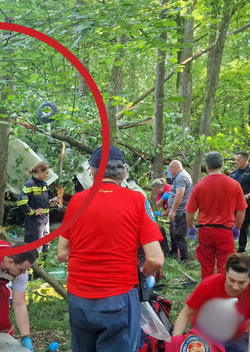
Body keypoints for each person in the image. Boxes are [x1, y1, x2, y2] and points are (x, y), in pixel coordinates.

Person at [57, 145, 164, 352]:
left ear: (93, 172)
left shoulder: (77, 201)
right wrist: (142, 274)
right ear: (124, 173)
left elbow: (62, 254)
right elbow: (156, 260)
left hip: (79, 297)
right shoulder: (137, 200)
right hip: (119, 296)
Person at [172, 253, 250, 352]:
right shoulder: (209, 285)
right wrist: (175, 342)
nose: (235, 287)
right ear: (225, 273)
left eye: (242, 283)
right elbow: (185, 315)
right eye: (231, 280)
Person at [186, 152, 247, 280]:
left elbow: (190, 211)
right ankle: (222, 292)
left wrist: (191, 227)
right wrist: (237, 228)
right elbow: (241, 210)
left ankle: (208, 292)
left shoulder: (199, 186)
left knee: (206, 265)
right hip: (225, 232)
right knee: (225, 265)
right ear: (222, 165)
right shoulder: (234, 185)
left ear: (207, 166)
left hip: (205, 231)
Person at [17, 161, 57, 266]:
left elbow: (40, 202)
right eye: (46, 173)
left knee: (46, 245)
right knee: (35, 247)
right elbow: (21, 202)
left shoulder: (44, 185)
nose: (47, 176)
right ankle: (30, 271)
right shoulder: (29, 184)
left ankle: (39, 272)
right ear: (39, 171)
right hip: (34, 222)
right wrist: (33, 212)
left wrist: (50, 202)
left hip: (45, 220)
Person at [229, 151, 250, 253]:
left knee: (243, 227)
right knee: (229, 226)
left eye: (238, 160)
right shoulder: (234, 173)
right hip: (232, 205)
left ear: (245, 160)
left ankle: (241, 249)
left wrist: (246, 196)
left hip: (245, 206)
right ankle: (229, 248)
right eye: (235, 160)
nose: (236, 162)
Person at [167, 160, 194, 261]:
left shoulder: (181, 177)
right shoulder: (180, 176)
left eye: (170, 170)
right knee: (173, 233)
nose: (170, 172)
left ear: (174, 167)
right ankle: (174, 253)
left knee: (179, 235)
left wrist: (173, 210)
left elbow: (180, 194)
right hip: (177, 211)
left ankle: (184, 259)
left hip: (180, 212)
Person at [151, 178, 171, 255]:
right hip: (169, 214)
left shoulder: (169, 190)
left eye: (156, 190)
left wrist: (162, 214)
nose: (155, 192)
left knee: (176, 234)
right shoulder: (160, 193)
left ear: (161, 188)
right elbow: (158, 204)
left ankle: (173, 253)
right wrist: (162, 199)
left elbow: (171, 208)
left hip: (176, 213)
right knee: (170, 231)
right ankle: (169, 252)